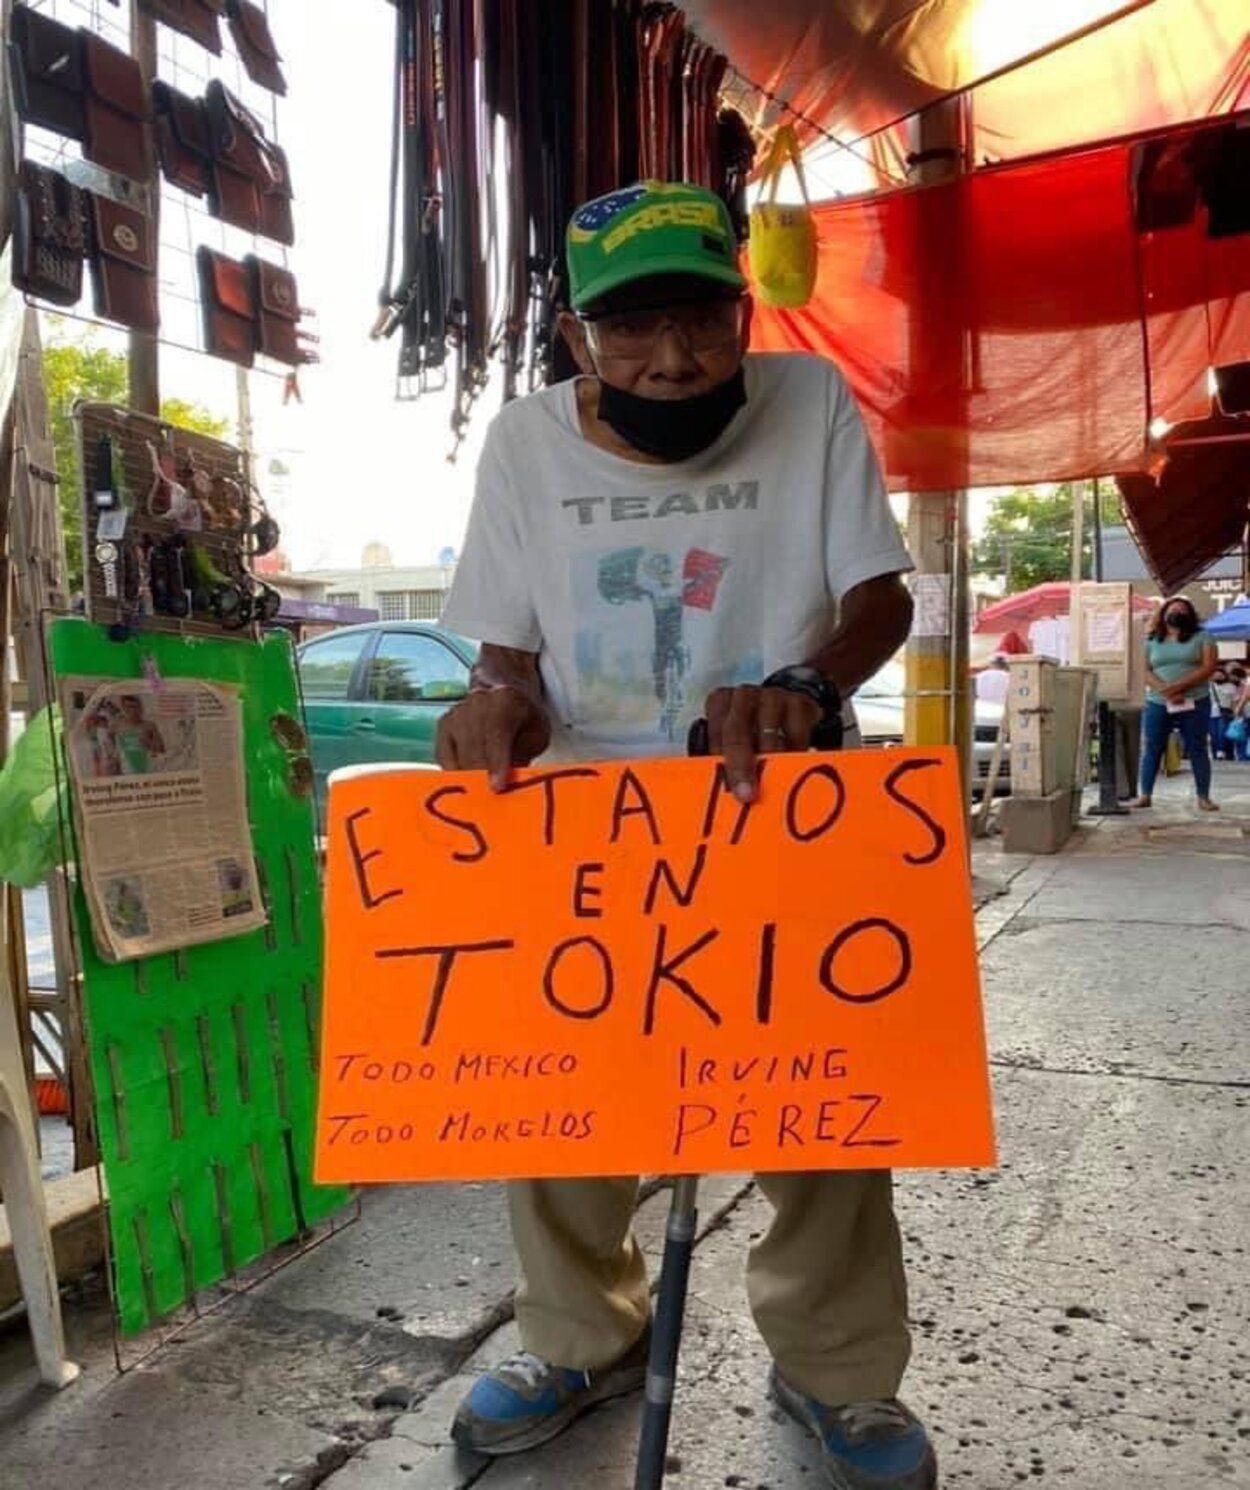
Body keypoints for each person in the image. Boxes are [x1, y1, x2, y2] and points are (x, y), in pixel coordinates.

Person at [436, 181, 933, 1490]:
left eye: (702, 319)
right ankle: (581, 1338)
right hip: (590, 834)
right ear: (574, 337)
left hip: (783, 812)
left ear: (742, 311)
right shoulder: (523, 444)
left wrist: (805, 685)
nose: (672, 356)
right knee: (559, 1108)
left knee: (822, 1113)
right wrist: (498, 705)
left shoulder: (808, 402)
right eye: (630, 327)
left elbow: (879, 596)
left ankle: (836, 1368)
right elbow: (506, 648)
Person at [1133, 597, 1219, 810]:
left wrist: (1180, 687)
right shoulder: (1152, 640)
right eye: (1173, 609)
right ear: (1163, 614)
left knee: (1197, 748)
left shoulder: (1203, 636)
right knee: (1152, 748)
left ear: (1190, 615)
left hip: (1195, 700)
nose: (1178, 612)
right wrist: (1165, 690)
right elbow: (1143, 670)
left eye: (1183, 609)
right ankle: (1145, 795)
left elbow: (1208, 666)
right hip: (1158, 702)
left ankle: (1203, 797)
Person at [1209, 666, 1238, 761]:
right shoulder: (1209, 686)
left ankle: (1224, 752)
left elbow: (1234, 702)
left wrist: (1236, 714)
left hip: (1225, 713)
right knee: (1214, 735)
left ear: (1225, 676)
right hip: (1210, 714)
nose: (1218, 677)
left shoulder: (1231, 687)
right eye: (1215, 675)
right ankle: (1215, 754)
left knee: (1222, 733)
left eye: (1220, 675)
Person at [1230, 664, 1250, 763]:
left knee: (1244, 734)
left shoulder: (1247, 682)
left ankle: (1244, 756)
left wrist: (1238, 709)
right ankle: (1243, 755)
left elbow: (1246, 696)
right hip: (1246, 712)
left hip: (1246, 712)